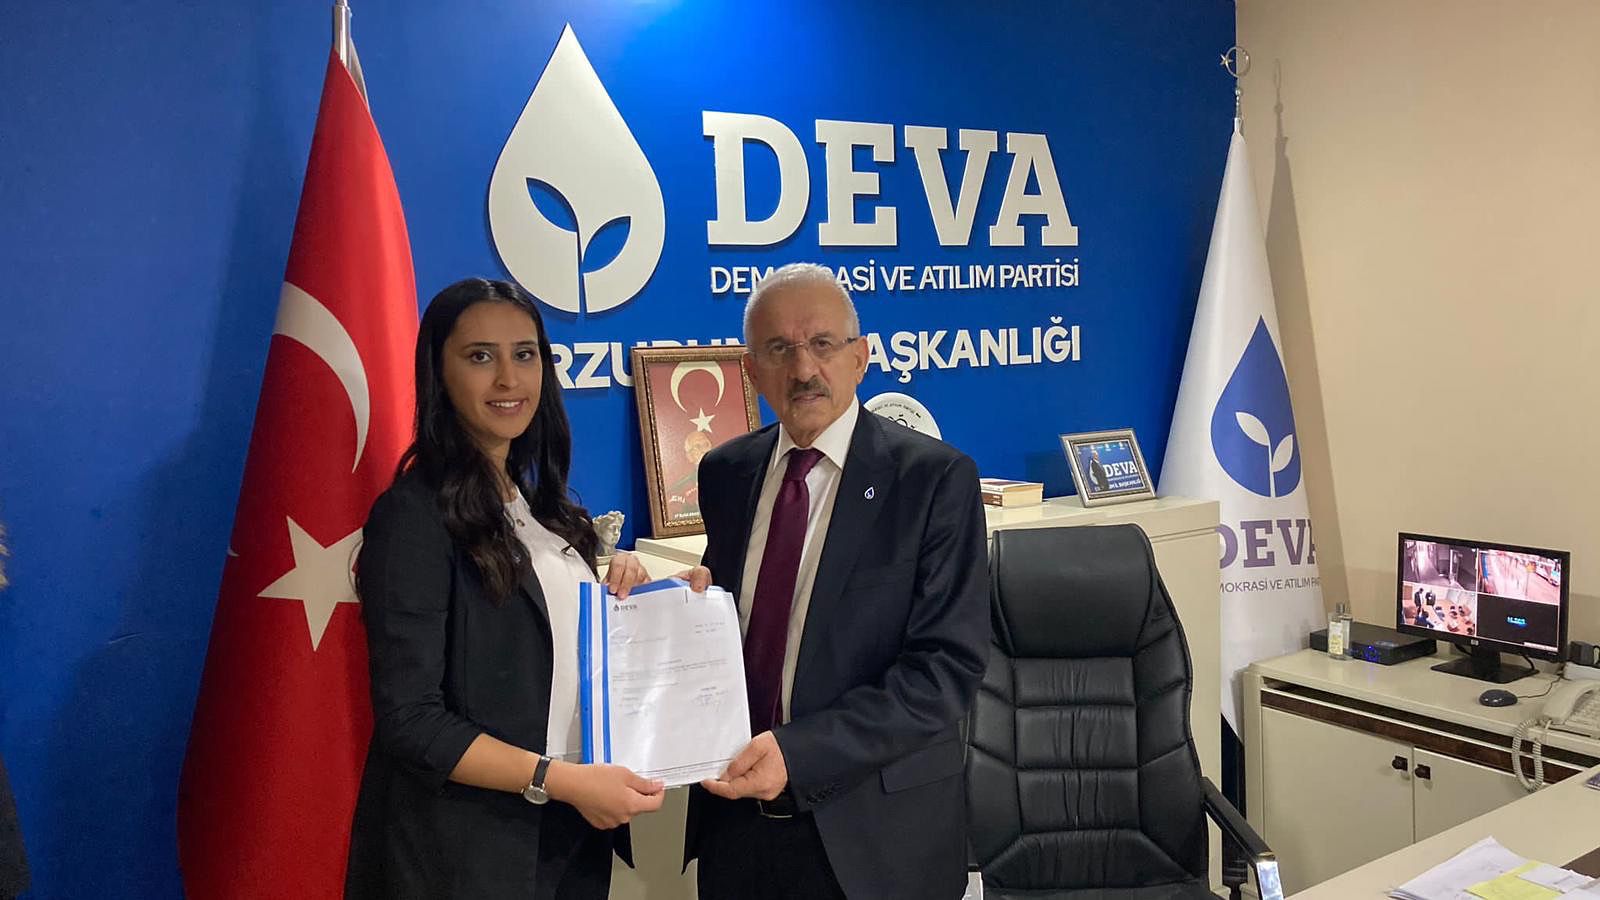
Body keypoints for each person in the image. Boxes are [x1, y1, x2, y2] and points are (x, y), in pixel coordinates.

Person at [345, 278, 669, 899]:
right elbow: (411, 720)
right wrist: (559, 781)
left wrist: (638, 594)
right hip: (464, 855)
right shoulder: (413, 517)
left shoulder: (541, 507)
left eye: (525, 354)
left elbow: (548, 653)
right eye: (479, 356)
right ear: (438, 374)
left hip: (565, 835)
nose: (508, 379)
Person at [684, 263, 990, 900]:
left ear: (861, 357)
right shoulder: (725, 473)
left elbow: (944, 670)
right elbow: (735, 626)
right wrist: (661, 608)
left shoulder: (933, 480)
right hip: (737, 827)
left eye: (822, 344)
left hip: (874, 836)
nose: (803, 369)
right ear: (751, 370)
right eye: (779, 349)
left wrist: (799, 753)